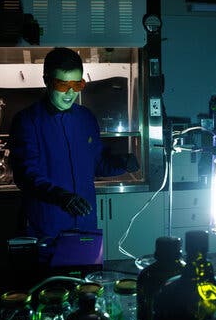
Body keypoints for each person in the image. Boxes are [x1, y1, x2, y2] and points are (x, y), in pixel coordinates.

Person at [9, 47, 139, 242]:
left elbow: (96, 163)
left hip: (85, 227)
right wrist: (61, 196)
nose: (70, 92)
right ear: (46, 81)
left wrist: (121, 162)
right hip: (47, 228)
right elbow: (25, 174)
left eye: (77, 84)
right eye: (63, 85)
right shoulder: (27, 121)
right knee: (48, 274)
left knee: (87, 272)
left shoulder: (86, 118)